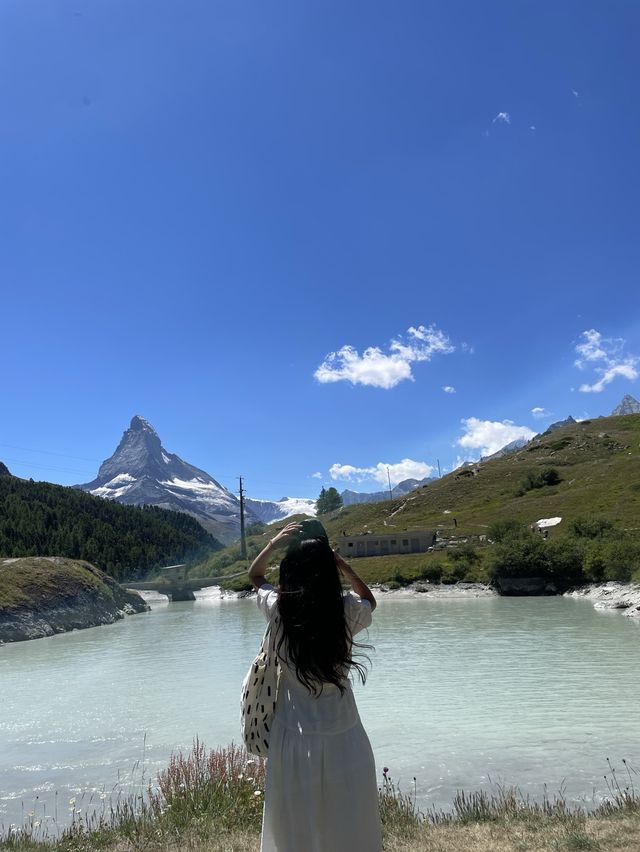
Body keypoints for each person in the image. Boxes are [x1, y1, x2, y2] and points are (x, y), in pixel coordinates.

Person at [248, 521, 383, 852]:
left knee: (294, 824)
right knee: (348, 821)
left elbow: (256, 576)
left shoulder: (279, 608)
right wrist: (344, 565)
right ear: (328, 564)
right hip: (344, 733)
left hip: (292, 734)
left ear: (290, 566)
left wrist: (274, 544)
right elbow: (370, 600)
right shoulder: (347, 610)